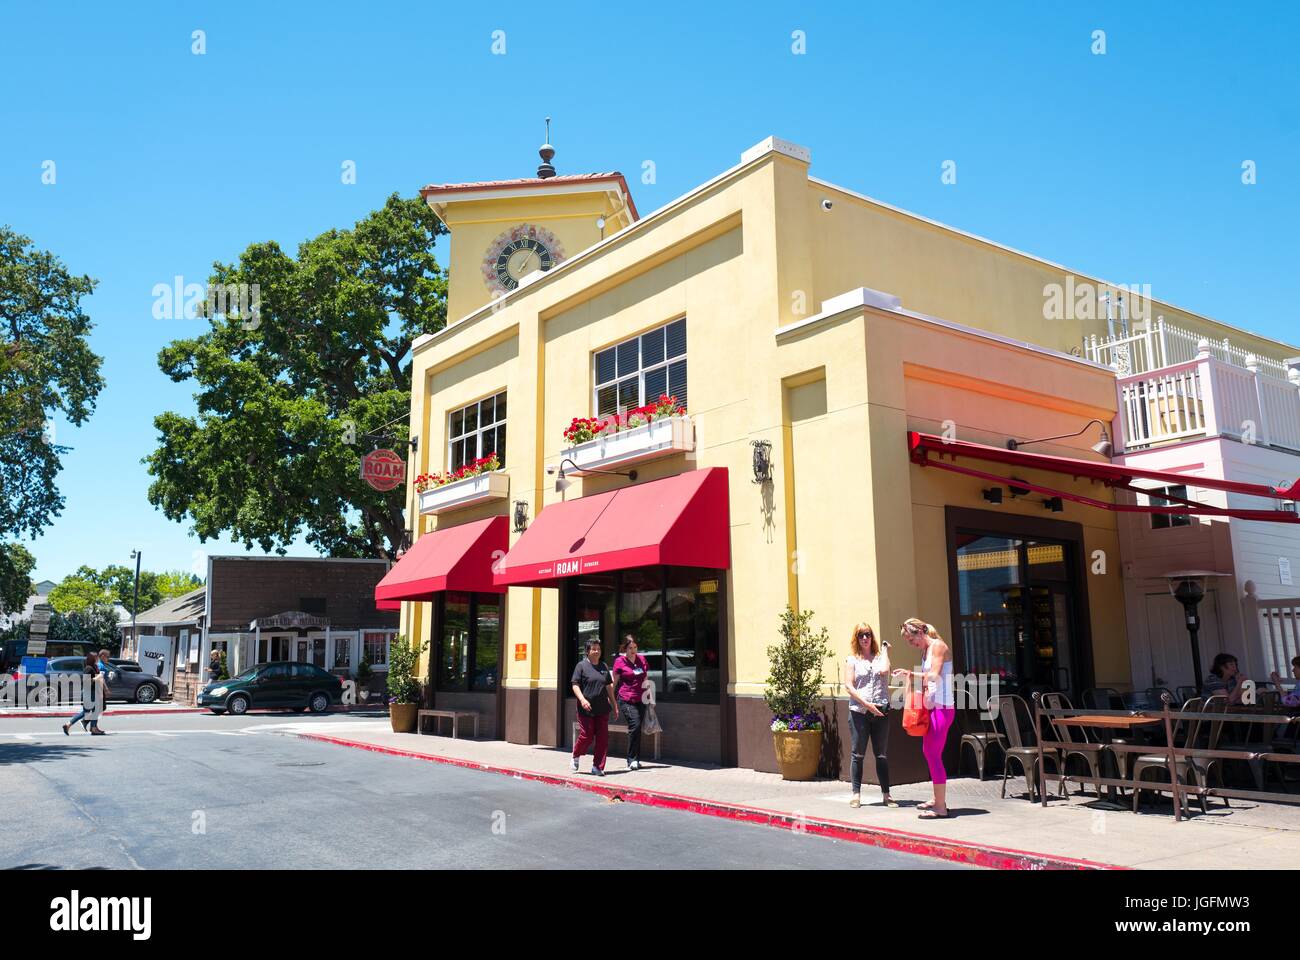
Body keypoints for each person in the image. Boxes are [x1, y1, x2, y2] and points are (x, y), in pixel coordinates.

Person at [893, 618, 954, 819]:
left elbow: (934, 675)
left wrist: (911, 673)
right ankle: (938, 800)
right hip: (933, 706)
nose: (912, 644)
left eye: (912, 640)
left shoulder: (938, 646)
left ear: (921, 632)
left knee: (932, 754)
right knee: (929, 752)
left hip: (942, 708)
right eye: (908, 642)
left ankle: (940, 807)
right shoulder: (926, 651)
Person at [842, 623, 895, 808]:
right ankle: (856, 794)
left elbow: (885, 671)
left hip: (881, 711)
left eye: (868, 634)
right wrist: (866, 705)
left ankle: (886, 795)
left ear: (872, 637)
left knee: (881, 754)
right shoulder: (852, 660)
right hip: (860, 712)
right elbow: (849, 686)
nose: (865, 638)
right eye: (861, 635)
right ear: (856, 639)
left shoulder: (879, 658)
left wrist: (885, 650)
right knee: (858, 754)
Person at [570, 640, 617, 776]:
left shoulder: (603, 666)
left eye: (598, 649)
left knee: (603, 739)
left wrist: (614, 705)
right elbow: (575, 685)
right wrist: (582, 699)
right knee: (587, 735)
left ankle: (597, 767)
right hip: (586, 709)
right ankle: (576, 754)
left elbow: (609, 686)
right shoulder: (581, 666)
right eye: (594, 649)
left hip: (602, 709)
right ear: (587, 652)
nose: (597, 651)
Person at [611, 635, 650, 770]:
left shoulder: (642, 659)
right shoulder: (620, 661)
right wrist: (611, 699)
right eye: (630, 648)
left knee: (637, 729)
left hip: (641, 698)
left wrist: (649, 695)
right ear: (625, 649)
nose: (633, 650)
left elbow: (645, 678)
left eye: (635, 647)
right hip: (626, 698)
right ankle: (631, 760)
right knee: (635, 724)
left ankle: (636, 760)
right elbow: (614, 682)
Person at [62, 653, 106, 736]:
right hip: (89, 693)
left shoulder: (94, 667)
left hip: (92, 692)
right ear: (91, 659)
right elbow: (86, 681)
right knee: (94, 710)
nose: (97, 658)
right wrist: (98, 676)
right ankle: (93, 728)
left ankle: (68, 725)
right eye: (95, 657)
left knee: (86, 712)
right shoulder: (88, 668)